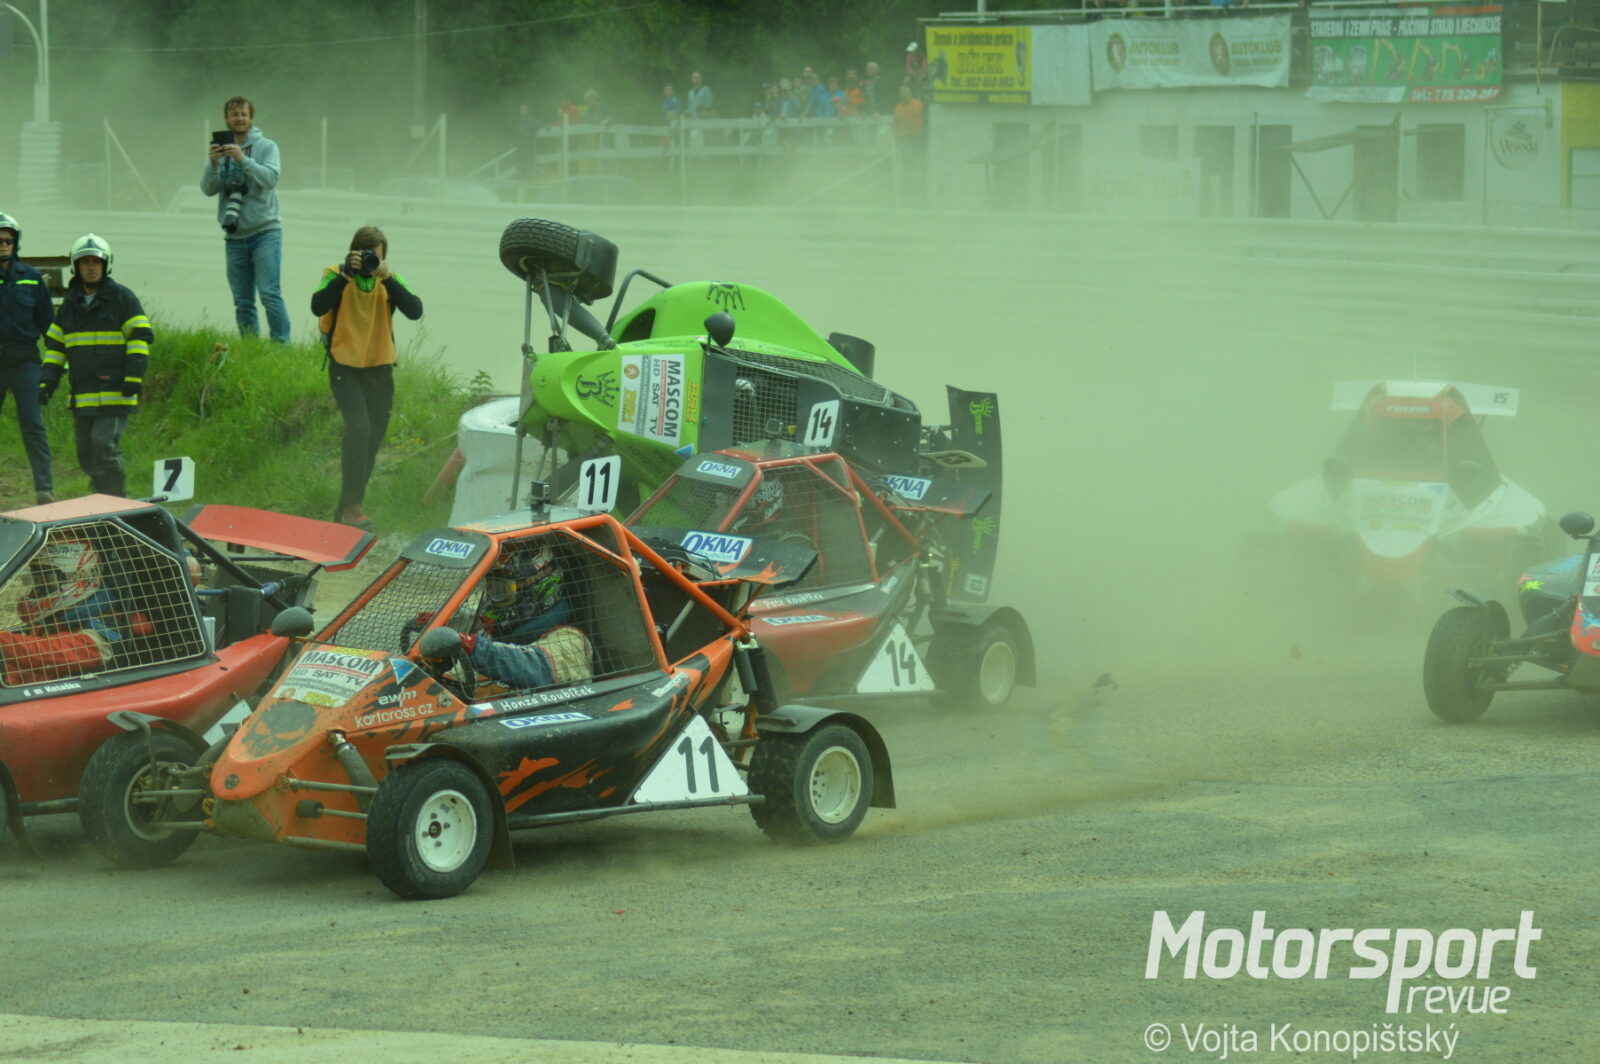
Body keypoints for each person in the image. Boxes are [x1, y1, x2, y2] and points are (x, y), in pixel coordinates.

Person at [310, 226, 423, 530]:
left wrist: (387, 277)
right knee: (358, 429)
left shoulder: (389, 279)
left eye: (377, 257)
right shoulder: (335, 274)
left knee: (372, 440)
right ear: (354, 252)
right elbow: (317, 306)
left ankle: (348, 506)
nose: (371, 262)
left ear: (384, 258)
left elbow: (415, 311)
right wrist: (346, 274)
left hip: (380, 370)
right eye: (366, 255)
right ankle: (351, 508)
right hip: (345, 368)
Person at [41, 234, 152, 498]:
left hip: (116, 392)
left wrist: (134, 376)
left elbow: (139, 338)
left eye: (96, 262)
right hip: (83, 394)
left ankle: (117, 499)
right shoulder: (70, 305)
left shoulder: (122, 298)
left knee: (104, 446)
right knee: (86, 452)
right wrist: (47, 382)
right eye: (85, 262)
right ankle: (101, 497)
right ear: (76, 267)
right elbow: (56, 348)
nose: (91, 267)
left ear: (106, 265)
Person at [420, 545, 593, 690]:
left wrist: (470, 645)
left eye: (501, 589)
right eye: (491, 587)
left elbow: (535, 668)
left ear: (537, 588)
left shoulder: (571, 639)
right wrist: (441, 625)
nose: (494, 597)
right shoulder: (502, 631)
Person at [0, 537, 149, 686]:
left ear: (77, 578)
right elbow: (18, 669)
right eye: (37, 579)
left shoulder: (111, 626)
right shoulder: (51, 623)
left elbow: (46, 653)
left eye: (47, 579)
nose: (38, 589)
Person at [200, 96, 288, 343]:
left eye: (243, 114)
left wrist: (242, 159)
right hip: (234, 235)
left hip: (265, 231)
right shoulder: (220, 150)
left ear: (251, 118)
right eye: (234, 114)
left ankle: (281, 346)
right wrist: (213, 164)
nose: (239, 118)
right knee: (242, 300)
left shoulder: (267, 146)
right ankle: (250, 347)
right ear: (226, 119)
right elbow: (208, 189)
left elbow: (271, 179)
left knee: (269, 294)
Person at [0, 211, 55, 504]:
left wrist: (54, 369)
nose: (3, 245)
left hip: (25, 363)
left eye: (8, 240)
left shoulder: (32, 278)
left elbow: (49, 326)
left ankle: (44, 489)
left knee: (33, 424)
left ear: (16, 242)